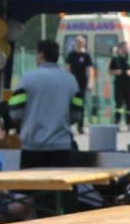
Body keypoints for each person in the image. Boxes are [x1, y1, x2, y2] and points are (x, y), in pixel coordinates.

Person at [7, 40, 81, 169]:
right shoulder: (71, 80)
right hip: (61, 147)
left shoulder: (27, 78)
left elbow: (15, 113)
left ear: (41, 55)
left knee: (30, 182)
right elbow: (77, 114)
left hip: (32, 147)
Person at [65, 35, 95, 133]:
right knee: (70, 104)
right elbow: (68, 69)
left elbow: (90, 70)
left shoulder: (86, 56)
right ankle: (69, 126)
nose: (78, 44)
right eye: (77, 42)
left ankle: (80, 126)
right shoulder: (71, 55)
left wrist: (90, 82)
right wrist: (67, 81)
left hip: (82, 83)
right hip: (72, 82)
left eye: (80, 43)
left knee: (81, 105)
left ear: (84, 44)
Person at [109, 42, 130, 130]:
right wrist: (116, 72)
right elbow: (110, 71)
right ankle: (117, 123)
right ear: (120, 48)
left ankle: (129, 123)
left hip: (129, 85)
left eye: (126, 47)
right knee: (118, 105)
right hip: (118, 85)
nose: (125, 49)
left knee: (129, 104)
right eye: (123, 47)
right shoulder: (115, 59)